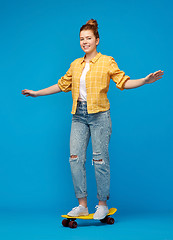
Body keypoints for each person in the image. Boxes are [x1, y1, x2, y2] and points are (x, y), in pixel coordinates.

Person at [21, 19, 164, 220]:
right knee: (75, 159)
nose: (85, 42)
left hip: (100, 116)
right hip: (78, 115)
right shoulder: (75, 64)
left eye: (88, 38)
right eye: (82, 39)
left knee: (99, 160)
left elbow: (124, 82)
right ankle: (82, 205)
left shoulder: (107, 61)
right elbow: (62, 85)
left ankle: (102, 204)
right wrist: (37, 93)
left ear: (97, 40)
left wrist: (145, 81)